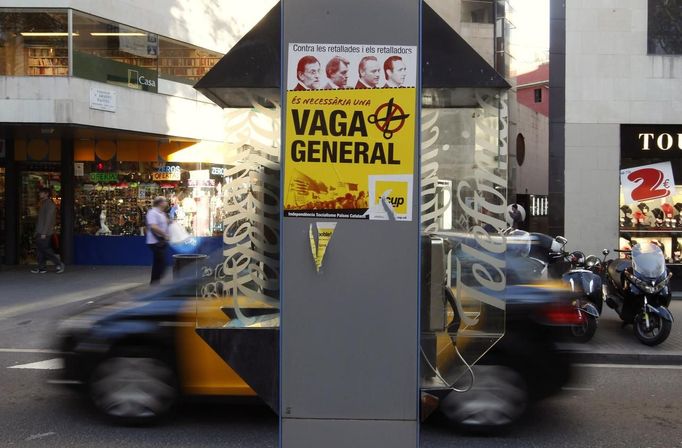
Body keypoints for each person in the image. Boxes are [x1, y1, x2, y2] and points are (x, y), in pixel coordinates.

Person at [31, 187, 65, 274]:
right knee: (40, 250)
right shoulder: (44, 203)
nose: (40, 194)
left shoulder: (50, 204)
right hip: (40, 231)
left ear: (46, 194)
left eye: (41, 193)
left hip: (44, 232)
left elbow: (48, 220)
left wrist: (44, 232)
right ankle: (41, 267)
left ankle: (59, 264)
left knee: (46, 249)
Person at [146, 196, 170, 284]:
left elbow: (166, 222)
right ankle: (155, 282)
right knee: (161, 262)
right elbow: (153, 226)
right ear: (160, 203)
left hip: (161, 241)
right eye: (165, 201)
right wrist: (164, 235)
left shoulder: (162, 213)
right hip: (154, 242)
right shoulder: (152, 212)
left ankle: (154, 283)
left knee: (159, 262)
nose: (167, 203)